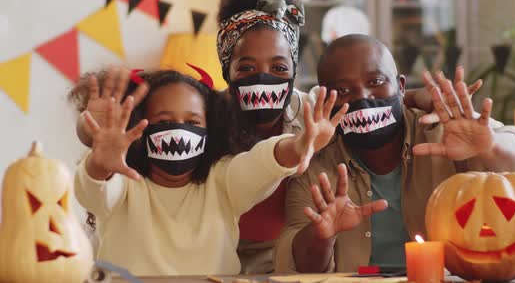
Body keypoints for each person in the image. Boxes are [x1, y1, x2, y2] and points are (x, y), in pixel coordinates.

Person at [215, 0, 483, 274]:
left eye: (279, 68)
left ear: (293, 71)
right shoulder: (204, 118)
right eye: (247, 68)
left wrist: (416, 97)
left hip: (284, 262)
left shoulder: (313, 112)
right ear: (227, 69)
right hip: (226, 259)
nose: (263, 79)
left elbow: (359, 99)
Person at [274, 34, 515, 273]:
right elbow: (301, 268)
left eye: (376, 81)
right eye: (343, 91)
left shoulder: (444, 131)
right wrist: (322, 234)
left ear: (401, 86)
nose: (363, 97)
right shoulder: (315, 167)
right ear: (325, 98)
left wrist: (490, 146)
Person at [71, 68, 347, 276]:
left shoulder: (221, 179)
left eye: (192, 121)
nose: (179, 130)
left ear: (209, 129)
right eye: (164, 121)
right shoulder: (124, 182)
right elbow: (93, 190)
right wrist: (101, 162)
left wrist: (299, 145)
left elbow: (260, 164)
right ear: (140, 127)